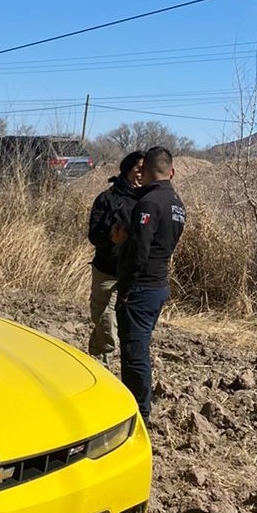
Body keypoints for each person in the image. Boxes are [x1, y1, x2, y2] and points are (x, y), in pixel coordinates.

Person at [116, 146, 186, 423]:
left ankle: (139, 412)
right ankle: (140, 403)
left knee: (134, 352)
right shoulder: (176, 203)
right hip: (159, 284)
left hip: (141, 287)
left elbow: (139, 251)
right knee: (139, 347)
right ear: (171, 171)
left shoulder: (149, 203)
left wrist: (125, 287)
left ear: (144, 172)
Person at [86, 151, 145, 365]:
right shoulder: (107, 198)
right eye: (138, 168)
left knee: (126, 324)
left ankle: (100, 358)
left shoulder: (150, 200)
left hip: (137, 273)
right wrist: (113, 237)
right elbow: (94, 235)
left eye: (146, 169)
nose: (142, 173)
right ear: (127, 170)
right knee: (104, 319)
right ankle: (101, 364)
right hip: (107, 270)